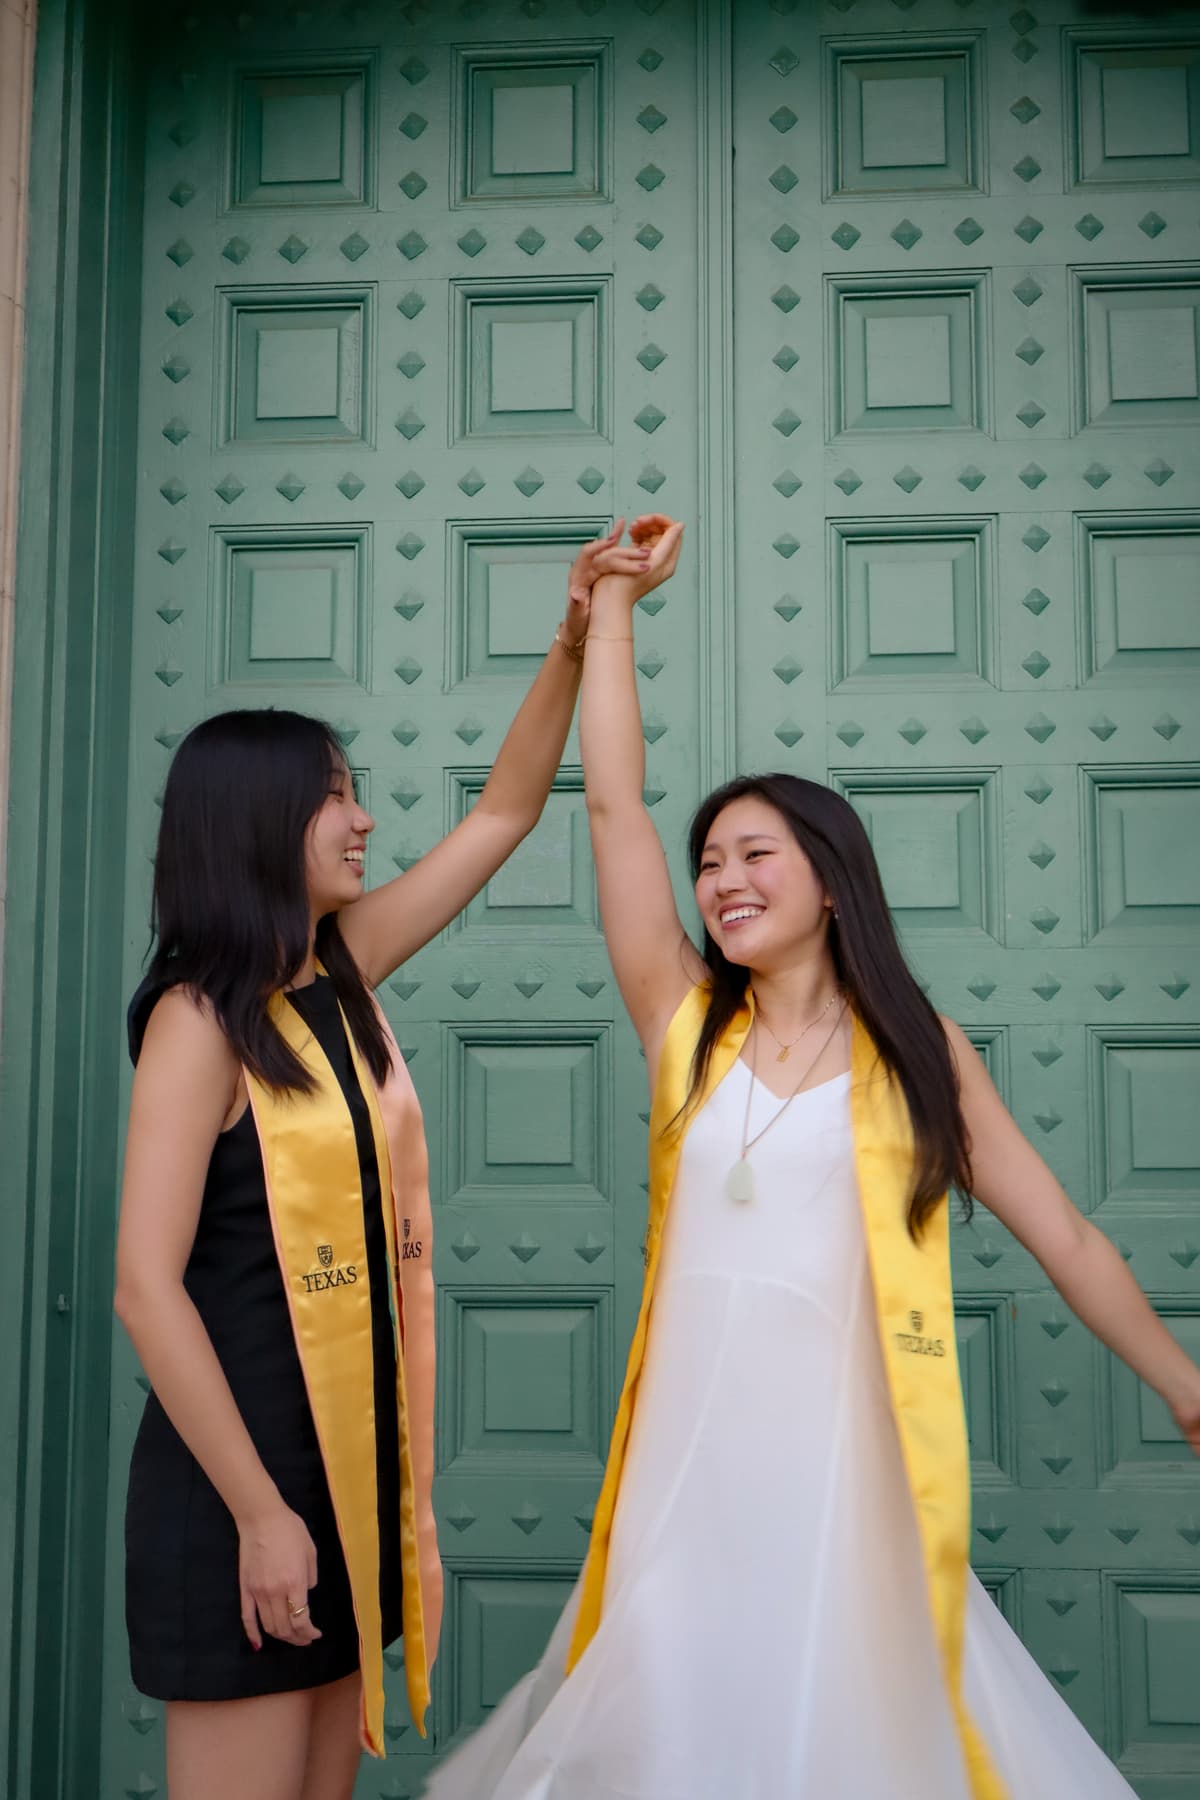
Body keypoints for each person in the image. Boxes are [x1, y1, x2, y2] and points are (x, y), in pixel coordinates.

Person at [422, 514, 1200, 1800]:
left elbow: (1062, 1234)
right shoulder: (684, 1025)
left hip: (840, 1466)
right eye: (711, 862)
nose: (722, 881)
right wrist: (611, 609)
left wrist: (1181, 1382)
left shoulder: (919, 1056)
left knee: (852, 1715)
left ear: (831, 879)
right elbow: (613, 806)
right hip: (689, 1457)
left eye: (754, 856)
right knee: (663, 1709)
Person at [113, 527, 652, 1800]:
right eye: (336, 795)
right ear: (255, 823)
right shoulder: (200, 1020)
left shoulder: (339, 972)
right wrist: (258, 1513)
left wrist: (577, 633)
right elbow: (146, 1284)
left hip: (338, 1470)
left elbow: (508, 811)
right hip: (236, 1481)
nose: (362, 819)